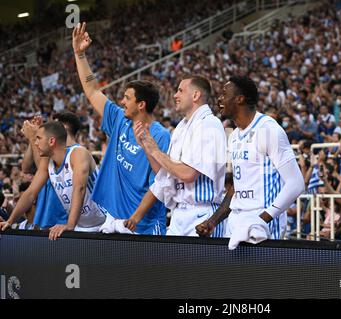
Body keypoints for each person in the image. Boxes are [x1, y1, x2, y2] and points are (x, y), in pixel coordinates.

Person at [72, 22, 170, 235]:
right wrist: (80, 55)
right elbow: (92, 90)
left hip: (143, 223)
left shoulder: (161, 135)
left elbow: (160, 181)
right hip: (113, 218)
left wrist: (137, 217)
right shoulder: (119, 119)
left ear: (141, 104)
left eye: (127, 98)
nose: (122, 102)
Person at [196, 76, 305, 249]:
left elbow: (296, 184)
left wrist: (262, 219)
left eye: (225, 94)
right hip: (236, 221)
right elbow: (236, 188)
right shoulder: (233, 135)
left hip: (264, 221)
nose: (219, 99)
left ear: (240, 99)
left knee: (261, 276)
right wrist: (213, 221)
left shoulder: (268, 130)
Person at [124, 75, 227, 237]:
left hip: (203, 214)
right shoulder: (181, 127)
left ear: (195, 95)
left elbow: (188, 174)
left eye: (180, 90)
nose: (175, 95)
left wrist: (156, 151)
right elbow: (164, 174)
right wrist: (147, 146)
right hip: (179, 214)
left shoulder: (209, 124)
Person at [0, 122, 105, 239]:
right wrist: (10, 221)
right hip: (82, 225)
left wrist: (70, 224)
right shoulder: (47, 162)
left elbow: (79, 188)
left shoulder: (78, 153)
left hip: (105, 222)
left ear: (51, 141)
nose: (35, 143)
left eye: (38, 138)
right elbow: (30, 194)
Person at [21, 112, 81, 229]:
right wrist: (35, 138)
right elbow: (26, 168)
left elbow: (43, 169)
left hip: (60, 221)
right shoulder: (48, 150)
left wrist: (34, 137)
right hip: (45, 217)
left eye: (53, 124)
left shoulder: (74, 155)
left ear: (62, 128)